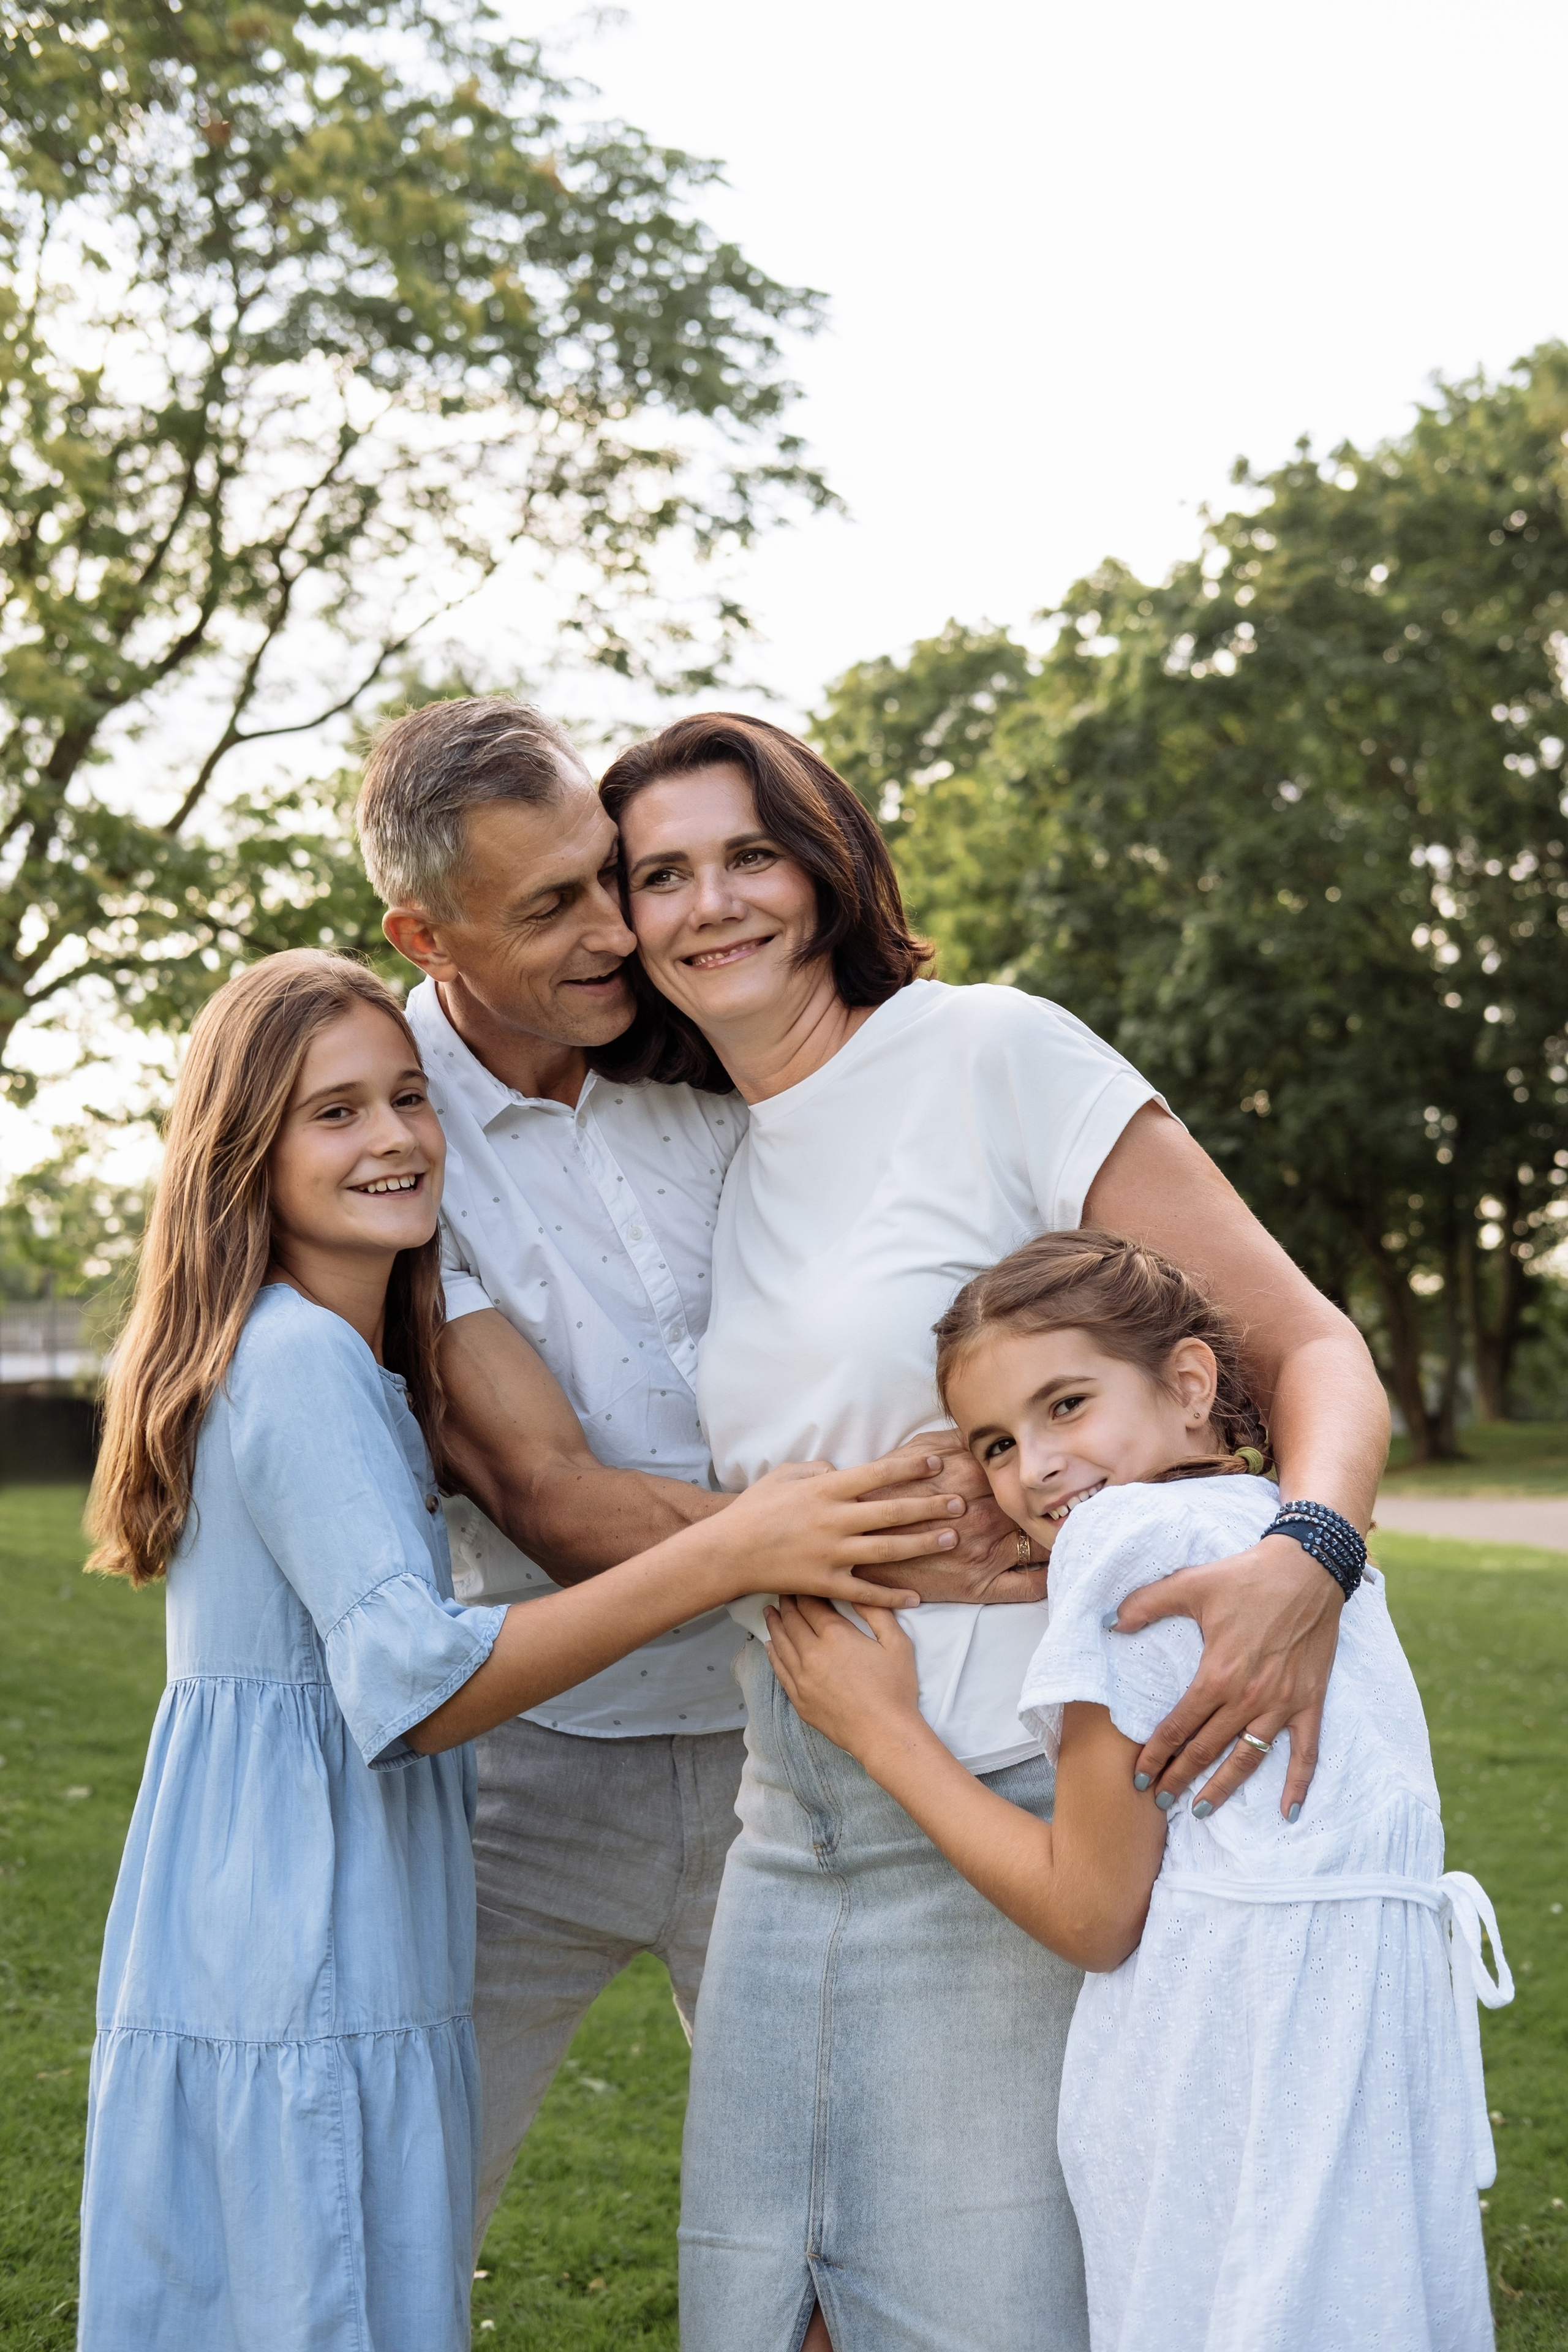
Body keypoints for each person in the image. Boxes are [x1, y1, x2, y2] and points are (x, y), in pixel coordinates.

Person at [596, 712, 1393, 2352]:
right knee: (768, 2320)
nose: (709, 903)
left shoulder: (993, 1054)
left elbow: (1301, 1347)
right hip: (785, 1825)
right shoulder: (719, 1157)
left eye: (748, 853)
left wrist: (1306, 1556)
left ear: (824, 867)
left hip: (1000, 1809)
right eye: (658, 875)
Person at [76, 949, 960, 2352]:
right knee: (327, 2301)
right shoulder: (299, 1359)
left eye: (408, 1099)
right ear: (242, 1152)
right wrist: (729, 1549)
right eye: (334, 1113)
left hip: (293, 1896)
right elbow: (415, 1683)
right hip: (308, 1916)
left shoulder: (337, 1354)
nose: (393, 1139)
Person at [353, 696, 1031, 2239]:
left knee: (852, 2210)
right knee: (398, 2205)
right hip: (533, 1762)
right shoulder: (386, 1120)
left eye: (611, 875)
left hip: (793, 1729)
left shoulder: (713, 1039)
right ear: (424, 930)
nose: (614, 931)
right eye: (548, 908)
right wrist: (885, 1536)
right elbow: (543, 1491)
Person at [767, 1229, 1511, 2352]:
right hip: (1375, 2033)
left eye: (1067, 1406)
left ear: (1191, 1384)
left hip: (1236, 2052)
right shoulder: (1294, 1545)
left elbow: (1091, 1911)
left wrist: (884, 1732)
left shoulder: (1120, 1539)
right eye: (998, 1443)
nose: (1037, 1467)